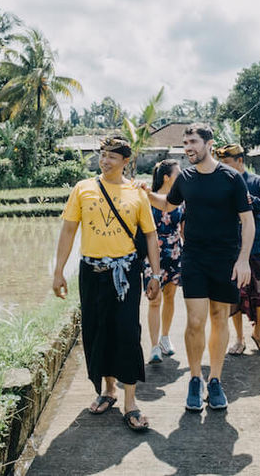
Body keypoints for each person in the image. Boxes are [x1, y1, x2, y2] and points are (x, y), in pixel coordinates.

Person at [141, 123, 255, 411]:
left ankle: (214, 380)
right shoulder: (185, 178)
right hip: (193, 258)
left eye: (193, 142)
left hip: (225, 259)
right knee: (195, 321)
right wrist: (145, 193)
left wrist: (243, 260)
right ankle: (195, 378)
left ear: (209, 144)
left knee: (219, 318)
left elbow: (248, 221)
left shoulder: (231, 178)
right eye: (185, 143)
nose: (188, 148)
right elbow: (168, 204)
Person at [52, 135, 161, 432]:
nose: (105, 160)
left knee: (127, 332)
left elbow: (150, 235)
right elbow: (68, 231)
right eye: (103, 154)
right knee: (98, 331)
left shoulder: (136, 193)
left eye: (112, 156)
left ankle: (130, 403)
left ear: (126, 161)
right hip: (91, 272)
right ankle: (109, 390)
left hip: (125, 273)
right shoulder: (83, 188)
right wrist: (58, 271)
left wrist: (155, 274)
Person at [215, 144, 260, 358]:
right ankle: (239, 338)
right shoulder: (220, 183)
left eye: (227, 163)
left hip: (255, 246)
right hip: (230, 247)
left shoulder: (257, 182)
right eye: (221, 164)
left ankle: (258, 333)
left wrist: (251, 200)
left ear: (240, 161)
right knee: (235, 294)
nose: (224, 168)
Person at [143, 159, 184, 364]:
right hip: (152, 256)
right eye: (178, 173)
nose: (182, 176)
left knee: (170, 296)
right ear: (167, 177)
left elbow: (184, 231)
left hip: (175, 254)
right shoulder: (147, 198)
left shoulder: (181, 200)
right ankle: (154, 347)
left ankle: (165, 338)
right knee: (154, 299)